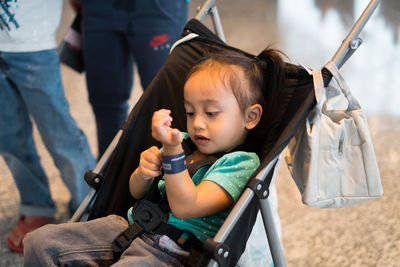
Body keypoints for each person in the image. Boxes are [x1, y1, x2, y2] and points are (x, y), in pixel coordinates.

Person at [23, 49, 286, 266]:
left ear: (250, 117)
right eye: (191, 112)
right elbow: (136, 192)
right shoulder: (181, 141)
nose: (197, 124)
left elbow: (187, 206)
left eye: (211, 113)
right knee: (39, 243)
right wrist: (143, 172)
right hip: (127, 227)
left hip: (173, 252)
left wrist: (172, 155)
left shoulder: (240, 163)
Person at [0, 0, 96, 253]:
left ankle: (89, 205)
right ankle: (36, 205)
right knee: (8, 136)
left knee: (58, 132)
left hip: (33, 42)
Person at [69, 0, 189, 157]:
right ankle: (111, 176)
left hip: (157, 6)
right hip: (97, 6)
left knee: (167, 101)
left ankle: (175, 174)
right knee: (106, 103)